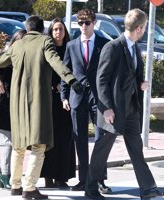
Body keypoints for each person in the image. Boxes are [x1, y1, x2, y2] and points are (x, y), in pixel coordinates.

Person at [0, 15, 83, 200]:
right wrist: (71, 79)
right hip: (37, 102)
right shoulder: (45, 41)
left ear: (27, 28)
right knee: (39, 145)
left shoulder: (18, 44)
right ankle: (29, 187)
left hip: (16, 103)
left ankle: (15, 184)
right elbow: (56, 62)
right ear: (41, 29)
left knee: (19, 145)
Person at [85, 9, 164, 200]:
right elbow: (101, 80)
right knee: (102, 151)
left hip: (131, 109)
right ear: (139, 28)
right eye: (145, 27)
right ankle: (90, 189)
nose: (145, 30)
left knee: (136, 149)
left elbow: (129, 75)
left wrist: (140, 84)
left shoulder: (134, 48)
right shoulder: (113, 47)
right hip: (113, 110)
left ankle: (148, 189)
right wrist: (106, 108)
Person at [60, 9, 111, 193]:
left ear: (94, 23)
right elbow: (65, 72)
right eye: (80, 23)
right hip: (77, 97)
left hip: (99, 98)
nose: (83, 26)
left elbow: (110, 73)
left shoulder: (105, 44)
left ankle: (99, 180)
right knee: (79, 139)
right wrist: (64, 96)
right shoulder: (71, 46)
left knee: (101, 140)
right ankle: (83, 179)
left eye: (86, 23)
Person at [0, 29, 27, 190]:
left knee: (17, 143)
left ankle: (3, 173)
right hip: (5, 104)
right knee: (6, 142)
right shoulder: (5, 55)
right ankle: (6, 175)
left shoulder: (25, 57)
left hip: (21, 105)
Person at [40, 18, 76, 188]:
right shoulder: (47, 49)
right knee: (49, 140)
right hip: (50, 101)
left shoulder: (70, 48)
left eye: (61, 29)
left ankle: (62, 176)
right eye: (55, 29)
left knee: (65, 139)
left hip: (66, 100)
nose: (58, 32)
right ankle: (47, 176)